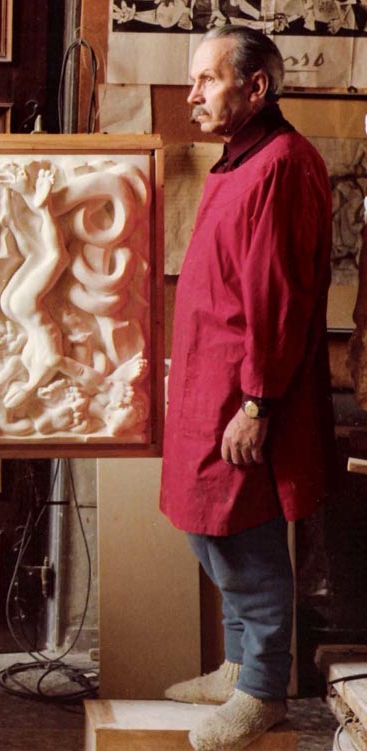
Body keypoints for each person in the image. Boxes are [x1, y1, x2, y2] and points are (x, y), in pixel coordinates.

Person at [160, 25, 334, 751]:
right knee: (205, 523)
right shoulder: (241, 160)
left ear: (256, 86)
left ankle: (262, 690)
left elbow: (277, 298)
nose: (192, 95)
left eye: (207, 79)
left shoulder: (283, 165)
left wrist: (258, 402)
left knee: (245, 533)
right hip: (210, 384)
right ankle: (238, 664)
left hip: (246, 393)